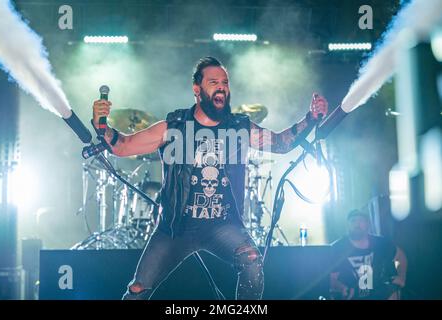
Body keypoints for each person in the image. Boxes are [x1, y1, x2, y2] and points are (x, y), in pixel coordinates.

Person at [92, 56, 328, 300]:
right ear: (197, 89)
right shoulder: (174, 126)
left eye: (225, 82)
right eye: (213, 82)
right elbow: (122, 146)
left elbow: (281, 143)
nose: (221, 87)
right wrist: (102, 126)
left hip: (223, 226)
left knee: (252, 261)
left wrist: (311, 118)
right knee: (137, 290)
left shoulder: (239, 127)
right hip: (175, 228)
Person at [330, 209, 407, 300]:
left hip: (378, 292)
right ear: (347, 225)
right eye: (353, 220)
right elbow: (331, 279)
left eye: (361, 220)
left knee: (392, 291)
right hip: (352, 294)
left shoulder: (381, 243)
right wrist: (341, 288)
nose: (357, 224)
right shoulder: (337, 248)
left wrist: (401, 277)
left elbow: (401, 256)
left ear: (368, 224)